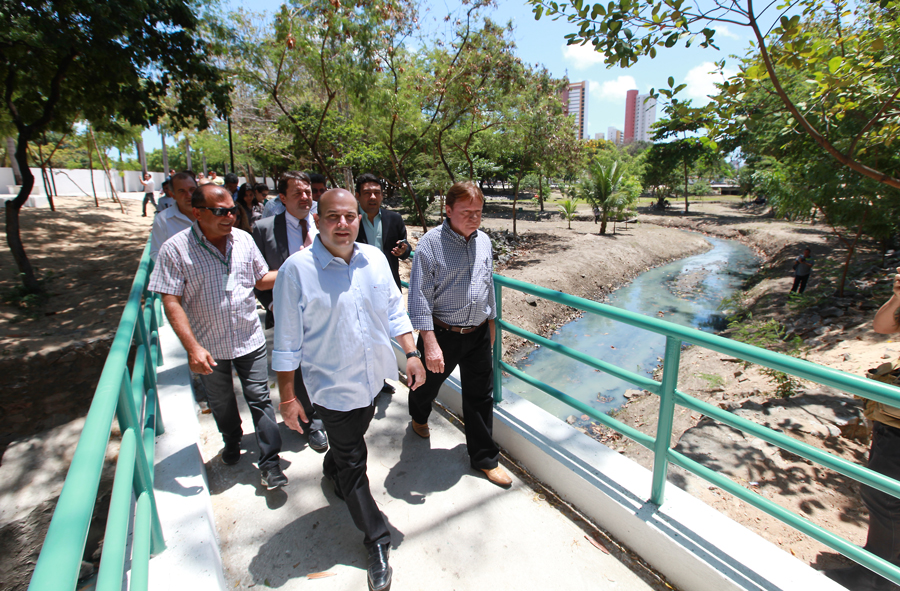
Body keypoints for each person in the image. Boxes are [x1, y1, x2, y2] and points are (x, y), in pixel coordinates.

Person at [272, 188, 426, 591]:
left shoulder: (374, 259)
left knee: (347, 448)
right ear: (317, 220)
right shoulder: (296, 271)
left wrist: (411, 354)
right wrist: (287, 397)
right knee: (354, 463)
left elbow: (394, 311)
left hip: (373, 382)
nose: (342, 224)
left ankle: (333, 467)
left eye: (350, 216)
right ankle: (376, 539)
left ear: (359, 219)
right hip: (332, 389)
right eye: (332, 216)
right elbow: (286, 342)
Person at [148, 184, 288, 490]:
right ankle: (232, 439)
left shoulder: (244, 240)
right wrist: (192, 348)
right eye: (220, 212)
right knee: (221, 402)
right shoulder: (175, 249)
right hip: (208, 346)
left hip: (249, 338)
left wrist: (296, 267)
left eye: (233, 211)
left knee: (260, 398)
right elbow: (170, 300)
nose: (230, 217)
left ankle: (270, 463)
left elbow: (261, 280)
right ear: (198, 213)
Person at [407, 180, 512, 488]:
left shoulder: (484, 241)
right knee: (425, 387)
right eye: (466, 211)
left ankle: (485, 459)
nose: (473, 217)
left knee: (481, 396)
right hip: (442, 334)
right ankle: (418, 416)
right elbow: (419, 297)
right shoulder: (430, 244)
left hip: (478, 332)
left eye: (478, 211)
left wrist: (491, 323)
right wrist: (429, 343)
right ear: (449, 210)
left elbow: (487, 284)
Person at [824, 277, 900, 591]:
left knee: (883, 495)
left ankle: (877, 578)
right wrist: (897, 297)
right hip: (889, 418)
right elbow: (882, 326)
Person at [252, 171, 326, 452]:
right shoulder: (264, 229)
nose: (305, 197)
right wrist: (273, 304)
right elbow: (256, 277)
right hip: (288, 312)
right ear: (282, 198)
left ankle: (330, 411)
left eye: (308, 192)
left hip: (326, 310)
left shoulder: (324, 222)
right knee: (296, 368)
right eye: (297, 193)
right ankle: (313, 422)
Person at [354, 173, 410, 290]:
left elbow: (405, 247)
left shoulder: (394, 219)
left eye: (377, 193)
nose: (373, 197)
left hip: (389, 285)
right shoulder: (349, 220)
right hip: (358, 285)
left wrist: (403, 250)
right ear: (357, 196)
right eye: (367, 193)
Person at [150, 172, 197, 261]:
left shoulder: (211, 213)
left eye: (192, 189)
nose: (189, 195)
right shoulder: (163, 219)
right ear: (172, 195)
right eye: (182, 191)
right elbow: (156, 253)